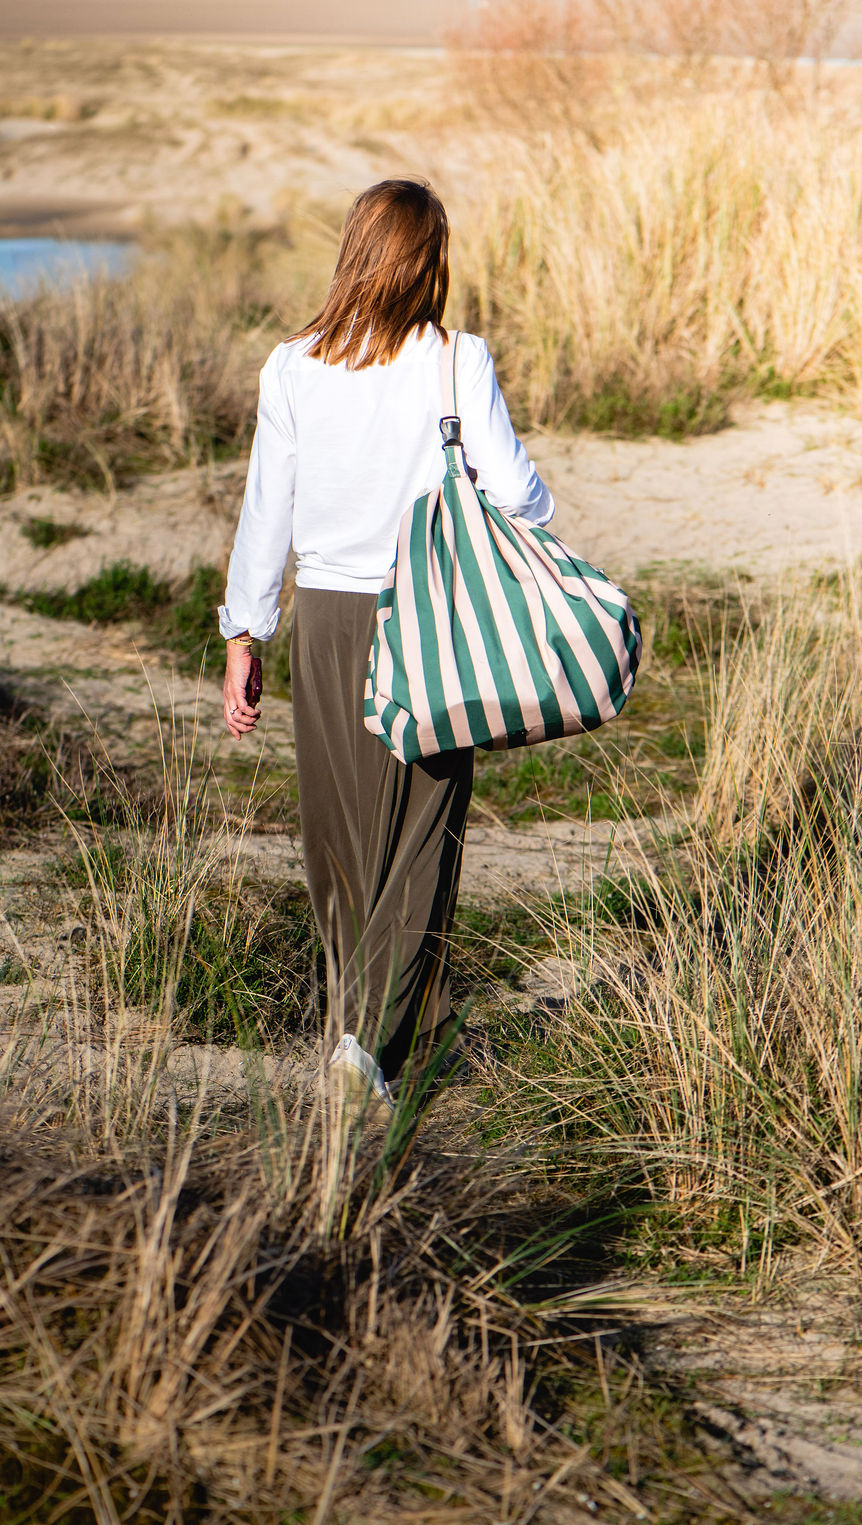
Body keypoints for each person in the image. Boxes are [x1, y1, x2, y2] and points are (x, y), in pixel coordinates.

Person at [219, 179, 554, 1112]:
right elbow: (522, 497)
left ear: (355, 250)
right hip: (428, 614)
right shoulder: (456, 360)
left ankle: (380, 1037)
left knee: (338, 837)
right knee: (420, 833)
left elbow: (267, 509)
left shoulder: (291, 365)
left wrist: (245, 630)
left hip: (325, 620)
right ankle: (365, 1048)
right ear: (427, 262)